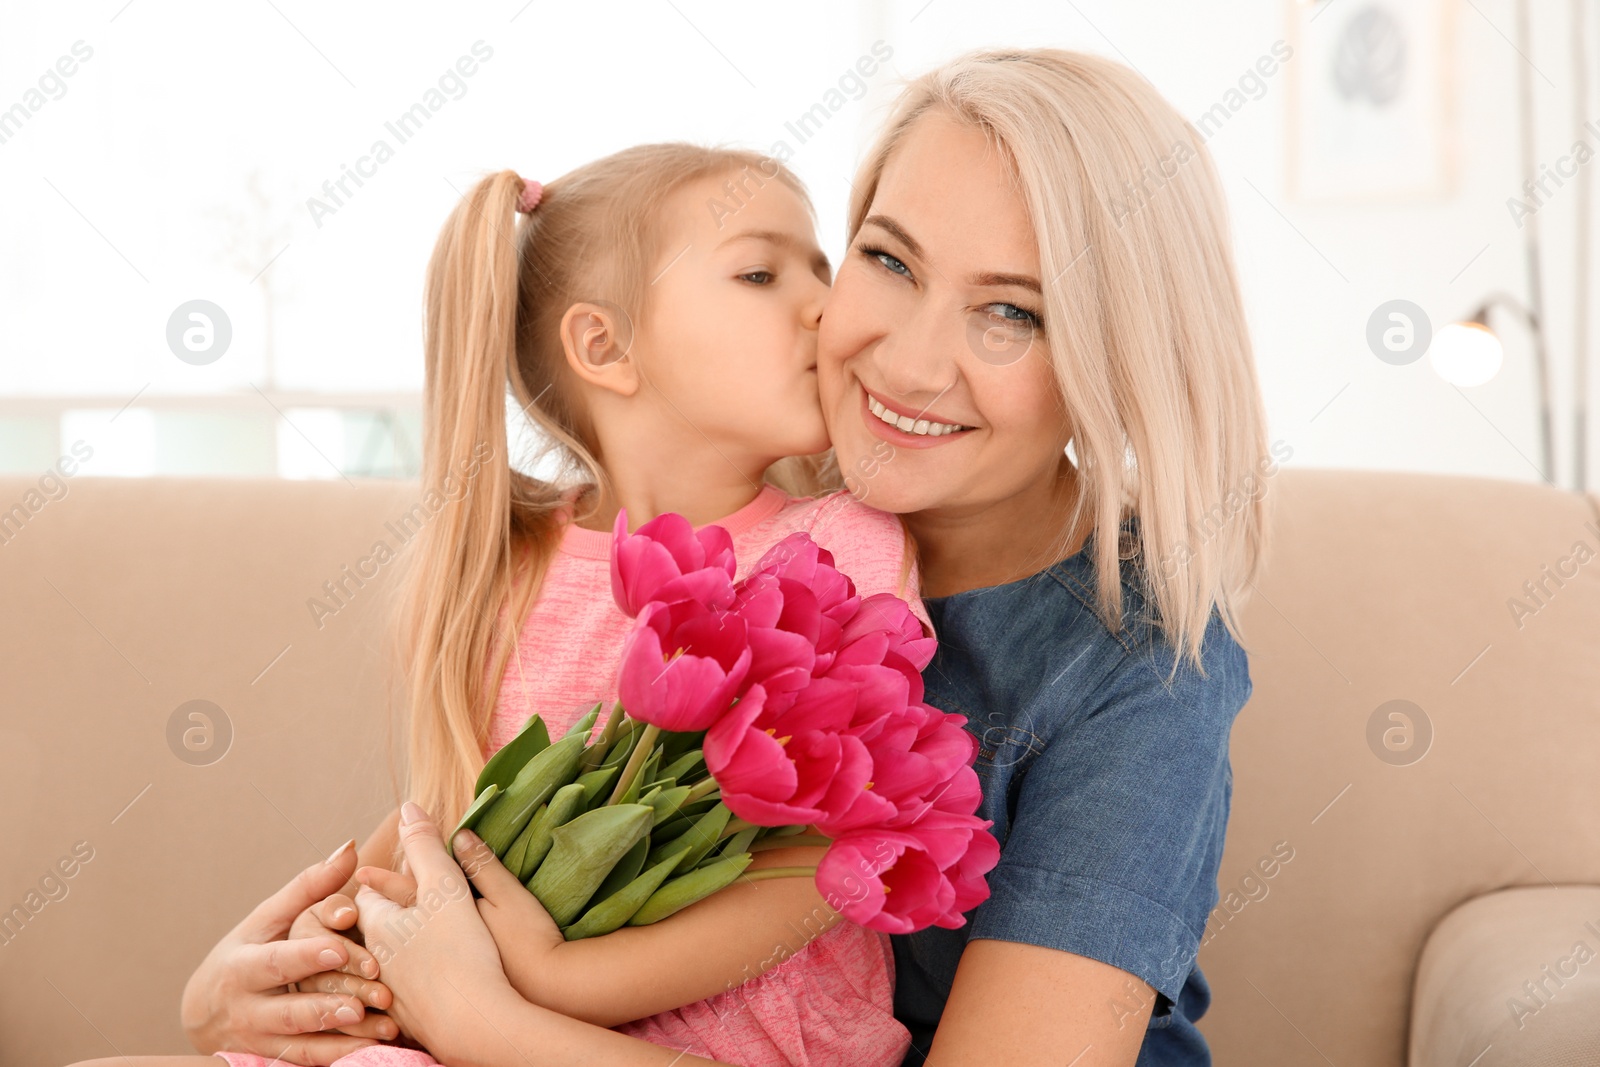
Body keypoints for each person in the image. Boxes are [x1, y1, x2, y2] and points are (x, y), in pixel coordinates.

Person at [152, 45, 1269, 1067]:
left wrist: (493, 1018)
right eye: (885, 259)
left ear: (1118, 360)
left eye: (1012, 315)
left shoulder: (1140, 671)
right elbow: (483, 833)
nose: (910, 359)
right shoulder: (732, 497)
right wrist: (251, 992)